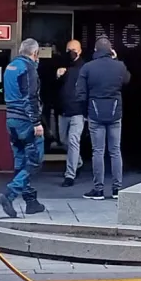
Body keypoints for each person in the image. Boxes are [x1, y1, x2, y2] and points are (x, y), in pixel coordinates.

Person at [0, 38, 46, 218]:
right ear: (35, 53)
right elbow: (30, 97)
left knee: (20, 159)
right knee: (34, 160)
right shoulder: (28, 68)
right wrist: (36, 122)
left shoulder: (11, 66)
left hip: (11, 120)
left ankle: (31, 201)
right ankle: (9, 194)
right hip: (25, 121)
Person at [77, 37, 131, 200]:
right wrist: (116, 59)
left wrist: (84, 113)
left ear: (95, 50)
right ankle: (117, 189)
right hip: (115, 113)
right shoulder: (119, 66)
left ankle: (98, 189)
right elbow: (127, 79)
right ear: (110, 50)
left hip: (95, 113)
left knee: (98, 151)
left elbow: (80, 93)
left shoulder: (87, 67)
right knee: (115, 151)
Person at [55, 39, 87, 187]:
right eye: (68, 49)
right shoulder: (61, 65)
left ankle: (70, 175)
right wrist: (58, 76)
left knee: (74, 141)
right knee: (63, 140)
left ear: (79, 51)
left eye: (73, 50)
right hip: (63, 110)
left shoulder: (84, 68)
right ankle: (78, 162)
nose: (70, 52)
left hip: (77, 111)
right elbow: (55, 88)